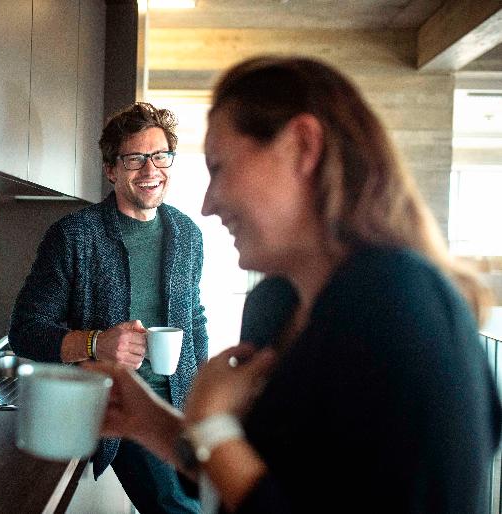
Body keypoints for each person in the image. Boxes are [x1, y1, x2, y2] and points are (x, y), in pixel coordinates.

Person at [85, 56, 502, 513]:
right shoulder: (274, 304)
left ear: (303, 147)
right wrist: (149, 421)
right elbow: (266, 479)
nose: (208, 203)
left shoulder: (403, 307)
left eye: (220, 167)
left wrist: (211, 427)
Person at [9, 102, 208, 513]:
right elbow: (25, 330)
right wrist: (97, 343)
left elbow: (194, 319)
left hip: (183, 407)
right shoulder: (74, 237)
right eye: (135, 159)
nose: (150, 169)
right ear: (111, 170)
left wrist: (204, 393)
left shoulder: (187, 233)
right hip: (121, 407)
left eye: (160, 156)